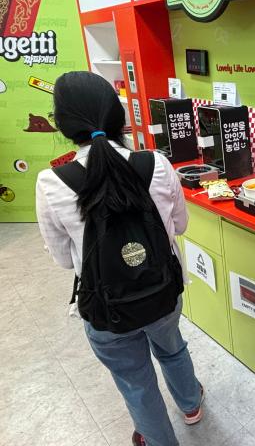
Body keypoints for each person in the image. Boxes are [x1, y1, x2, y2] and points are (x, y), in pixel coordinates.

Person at [36, 71, 202, 446]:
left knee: (135, 381)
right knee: (172, 347)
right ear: (117, 115)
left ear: (62, 124)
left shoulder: (51, 183)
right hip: (163, 293)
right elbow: (180, 226)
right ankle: (191, 405)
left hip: (108, 311)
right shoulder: (155, 163)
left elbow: (65, 260)